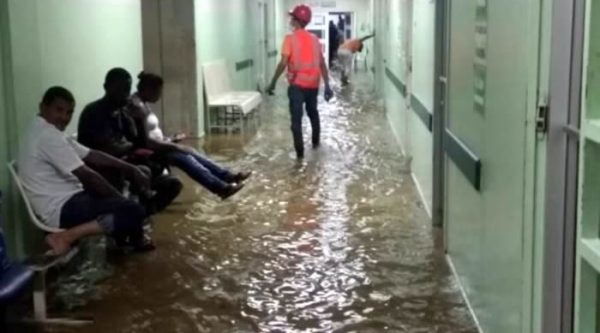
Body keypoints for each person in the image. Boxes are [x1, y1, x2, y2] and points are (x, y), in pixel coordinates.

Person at [18, 87, 155, 255]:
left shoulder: (44, 130)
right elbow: (87, 175)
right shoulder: (47, 135)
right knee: (133, 210)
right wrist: (120, 201)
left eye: (69, 112)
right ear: (43, 107)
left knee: (119, 195)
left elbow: (92, 154)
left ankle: (130, 239)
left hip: (67, 199)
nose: (64, 117)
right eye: (58, 110)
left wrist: (131, 168)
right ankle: (65, 237)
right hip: (61, 208)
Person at [128, 72, 250, 199]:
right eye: (158, 91)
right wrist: (174, 147)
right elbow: (147, 141)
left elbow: (152, 133)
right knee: (186, 158)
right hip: (151, 150)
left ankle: (228, 177)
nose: (160, 95)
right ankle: (221, 188)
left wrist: (171, 139)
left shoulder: (143, 103)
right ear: (148, 89)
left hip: (160, 145)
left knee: (191, 151)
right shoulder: (137, 107)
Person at [78, 68, 182, 214]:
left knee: (173, 184)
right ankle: (132, 217)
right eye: (121, 90)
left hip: (125, 165)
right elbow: (109, 149)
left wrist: (139, 119)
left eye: (127, 90)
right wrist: (129, 147)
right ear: (106, 87)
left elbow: (138, 142)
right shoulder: (94, 112)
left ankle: (141, 214)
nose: (125, 95)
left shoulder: (122, 112)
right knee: (141, 172)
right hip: (101, 169)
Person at [266, 4, 333, 160]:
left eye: (292, 17)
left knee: (296, 121)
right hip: (313, 85)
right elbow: (322, 64)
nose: (290, 20)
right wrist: (328, 86)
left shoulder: (290, 39)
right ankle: (316, 147)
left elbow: (283, 63)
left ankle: (300, 158)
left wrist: (273, 82)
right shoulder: (315, 39)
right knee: (313, 114)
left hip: (297, 85)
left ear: (296, 20)